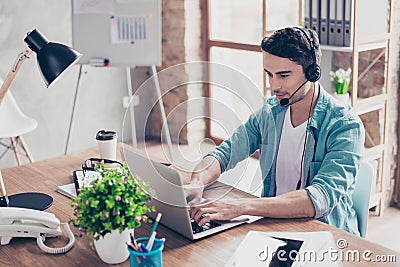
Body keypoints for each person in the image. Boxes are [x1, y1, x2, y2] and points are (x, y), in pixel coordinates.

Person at [187, 27, 365, 235]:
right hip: (273, 225)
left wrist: (240, 206)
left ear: (312, 72)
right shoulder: (270, 112)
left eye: (283, 75)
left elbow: (320, 198)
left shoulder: (345, 125)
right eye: (269, 75)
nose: (273, 85)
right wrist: (196, 183)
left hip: (325, 234)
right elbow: (225, 152)